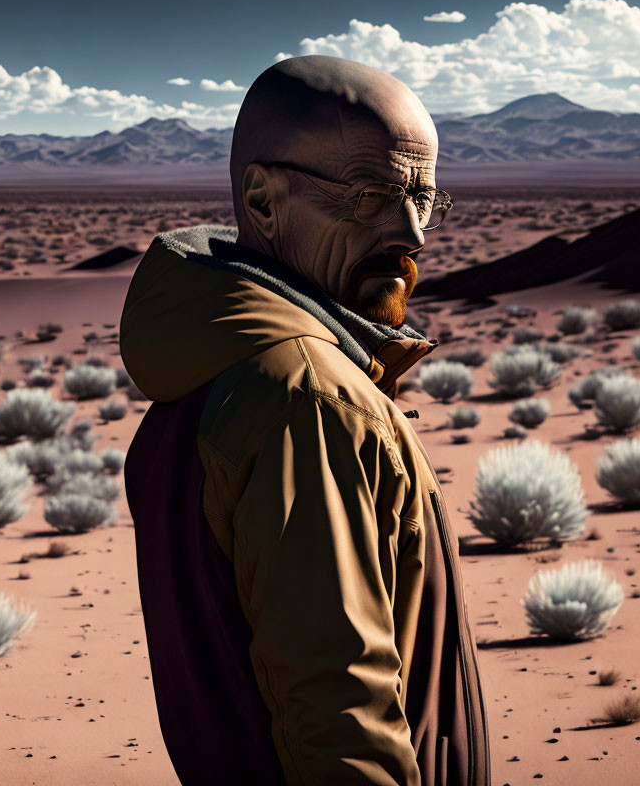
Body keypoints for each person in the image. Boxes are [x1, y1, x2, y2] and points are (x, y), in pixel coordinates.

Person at [120, 55, 490, 786]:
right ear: (262, 202)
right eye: (370, 195)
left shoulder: (214, 364)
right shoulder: (309, 402)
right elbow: (339, 713)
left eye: (424, 197)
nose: (413, 232)